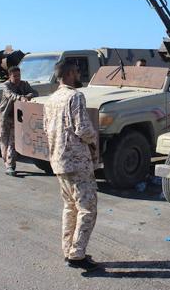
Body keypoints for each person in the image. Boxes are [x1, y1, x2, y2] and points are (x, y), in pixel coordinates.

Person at [43, 60, 99, 272]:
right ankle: (77, 255)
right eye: (76, 71)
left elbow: (47, 130)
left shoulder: (51, 99)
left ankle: (69, 250)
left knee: (70, 207)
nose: (78, 75)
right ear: (67, 74)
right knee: (87, 208)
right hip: (77, 162)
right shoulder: (75, 97)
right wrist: (94, 141)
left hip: (59, 161)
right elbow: (83, 128)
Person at [0, 66, 36, 176]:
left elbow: (34, 92)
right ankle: (7, 163)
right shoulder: (6, 85)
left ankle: (10, 165)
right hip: (4, 117)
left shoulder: (24, 84)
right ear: (10, 76)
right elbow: (10, 95)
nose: (17, 78)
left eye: (19, 75)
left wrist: (28, 96)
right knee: (3, 141)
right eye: (15, 76)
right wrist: (20, 98)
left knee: (12, 142)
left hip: (16, 118)